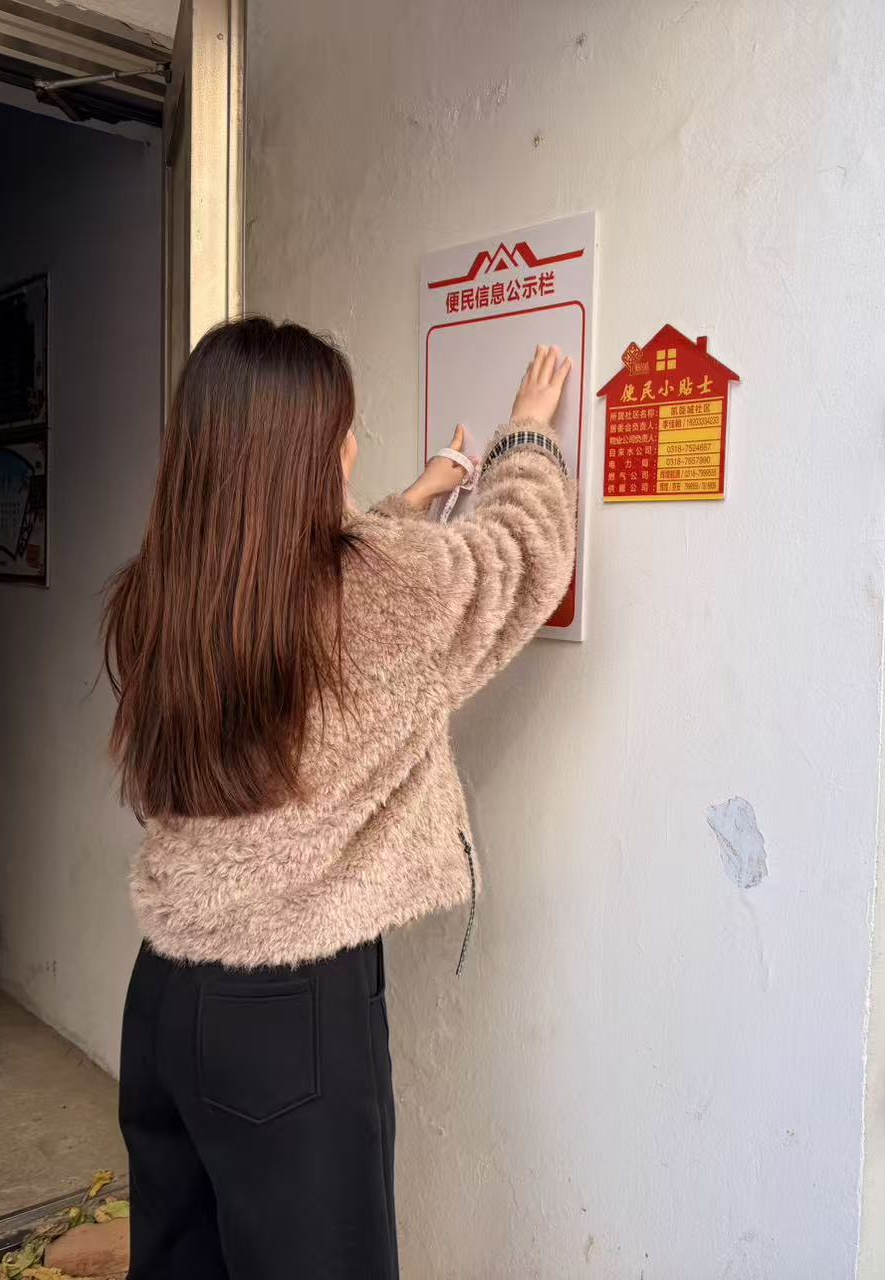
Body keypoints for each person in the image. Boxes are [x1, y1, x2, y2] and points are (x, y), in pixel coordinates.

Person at [103, 319, 576, 1279]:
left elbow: (308, 594)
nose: (354, 446)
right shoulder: (372, 590)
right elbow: (521, 561)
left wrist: (409, 503)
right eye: (343, 430)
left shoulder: (168, 588)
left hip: (166, 1002)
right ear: (308, 453)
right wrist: (527, 436)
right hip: (290, 1018)